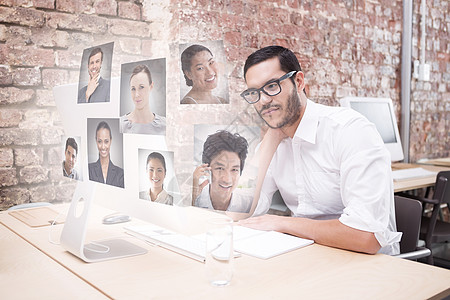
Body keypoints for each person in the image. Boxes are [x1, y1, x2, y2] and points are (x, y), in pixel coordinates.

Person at [238, 46, 401, 255]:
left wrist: (282, 223)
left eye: (271, 86)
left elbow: (365, 236)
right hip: (310, 257)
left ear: (298, 82)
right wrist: (269, 141)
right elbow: (237, 212)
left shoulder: (350, 131)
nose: (263, 100)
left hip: (368, 265)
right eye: (254, 92)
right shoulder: (275, 141)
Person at [192, 130, 252, 212]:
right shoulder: (195, 200)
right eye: (220, 168)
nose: (227, 180)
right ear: (207, 168)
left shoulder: (248, 205)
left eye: (234, 170)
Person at [120, 65, 166, 135]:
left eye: (141, 87)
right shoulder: (121, 124)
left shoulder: (165, 125)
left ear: (151, 86)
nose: (136, 94)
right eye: (133, 89)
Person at [88, 121, 124, 188]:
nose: (103, 146)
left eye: (106, 141)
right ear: (96, 141)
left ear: (111, 141)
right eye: (99, 141)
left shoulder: (120, 174)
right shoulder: (89, 169)